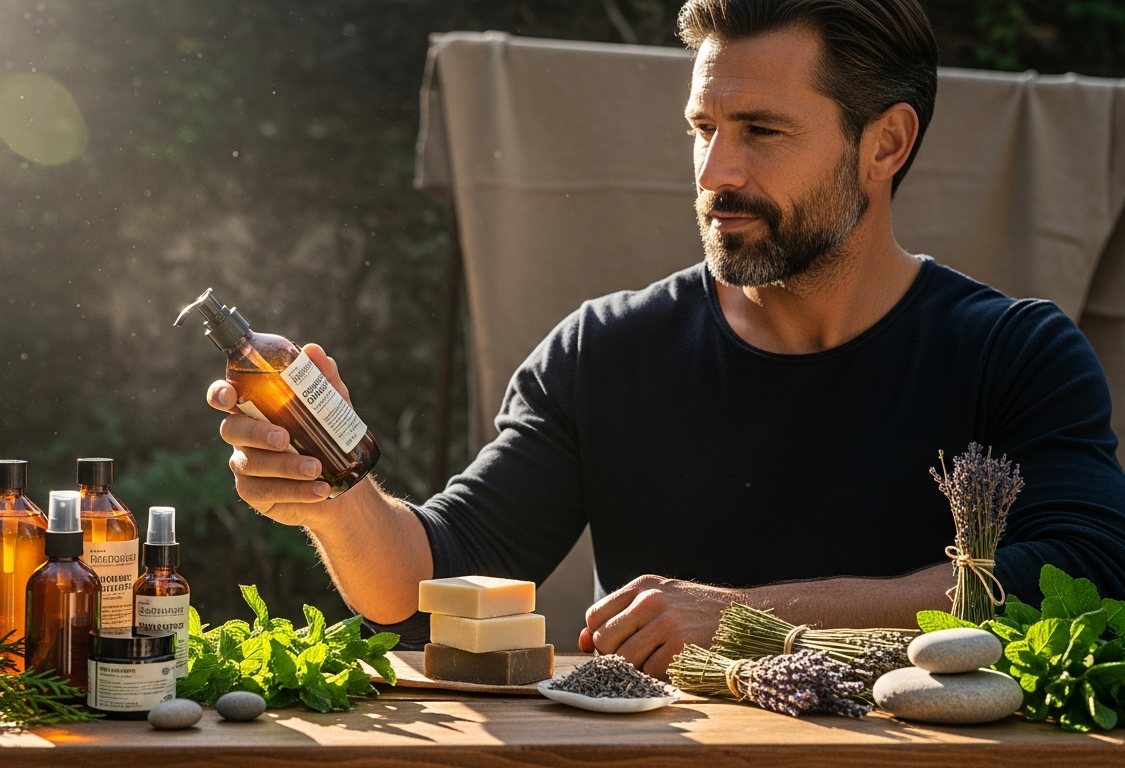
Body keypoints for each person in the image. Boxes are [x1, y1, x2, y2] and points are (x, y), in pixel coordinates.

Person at [205, 0, 1125, 676]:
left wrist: (749, 619)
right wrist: (334, 498)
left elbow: (1087, 572)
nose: (716, 171)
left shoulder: (1017, 354)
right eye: (703, 128)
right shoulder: (604, 352)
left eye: (762, 130)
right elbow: (426, 589)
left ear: (885, 145)